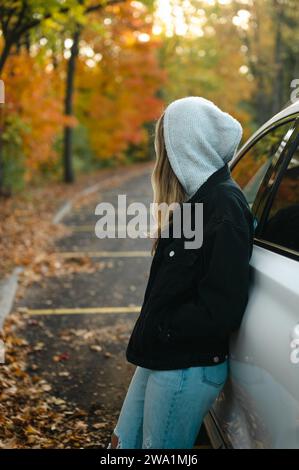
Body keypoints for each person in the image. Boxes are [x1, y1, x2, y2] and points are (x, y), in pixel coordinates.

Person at [107, 96, 255, 449]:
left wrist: (162, 326)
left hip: (187, 367)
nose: (162, 155)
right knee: (120, 445)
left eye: (166, 143)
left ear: (188, 146)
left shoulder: (224, 206)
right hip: (161, 355)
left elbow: (222, 307)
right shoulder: (195, 201)